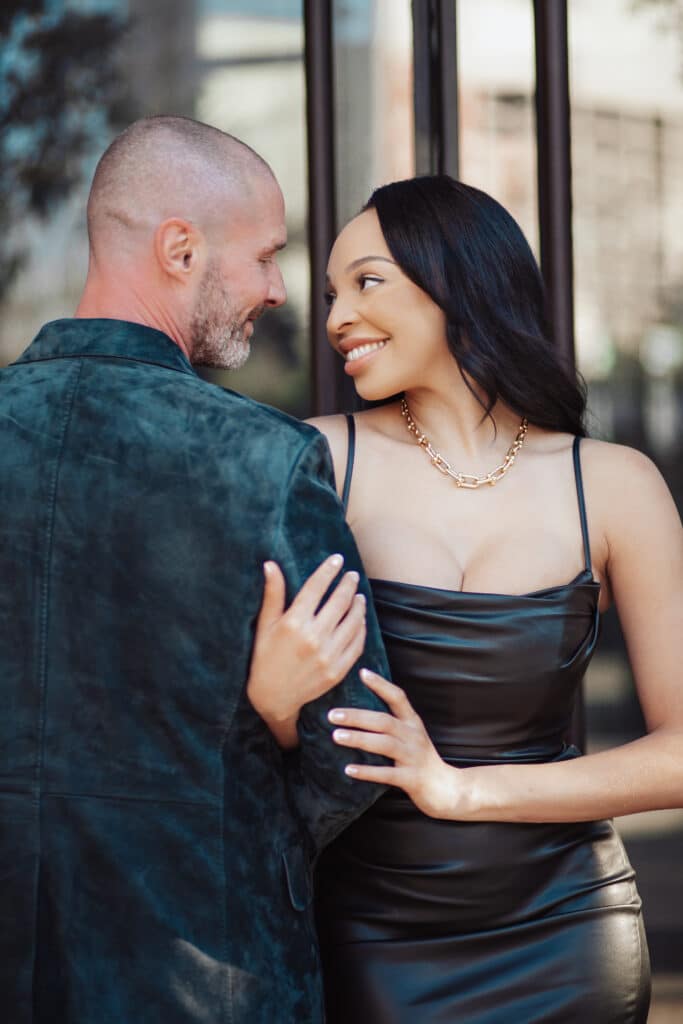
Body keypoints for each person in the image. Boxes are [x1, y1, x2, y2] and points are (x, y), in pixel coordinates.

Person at [252, 175, 683, 1021]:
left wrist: (461, 789)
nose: (337, 316)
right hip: (371, 931)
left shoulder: (613, 484)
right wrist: (270, 701)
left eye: (367, 282)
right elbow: (236, 738)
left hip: (566, 931)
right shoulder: (308, 461)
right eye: (331, 292)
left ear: (458, 283)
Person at [0, 115, 391, 1024]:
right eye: (264, 257)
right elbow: (358, 753)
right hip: (203, 973)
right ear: (180, 249)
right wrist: (266, 733)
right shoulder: (263, 460)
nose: (280, 289)